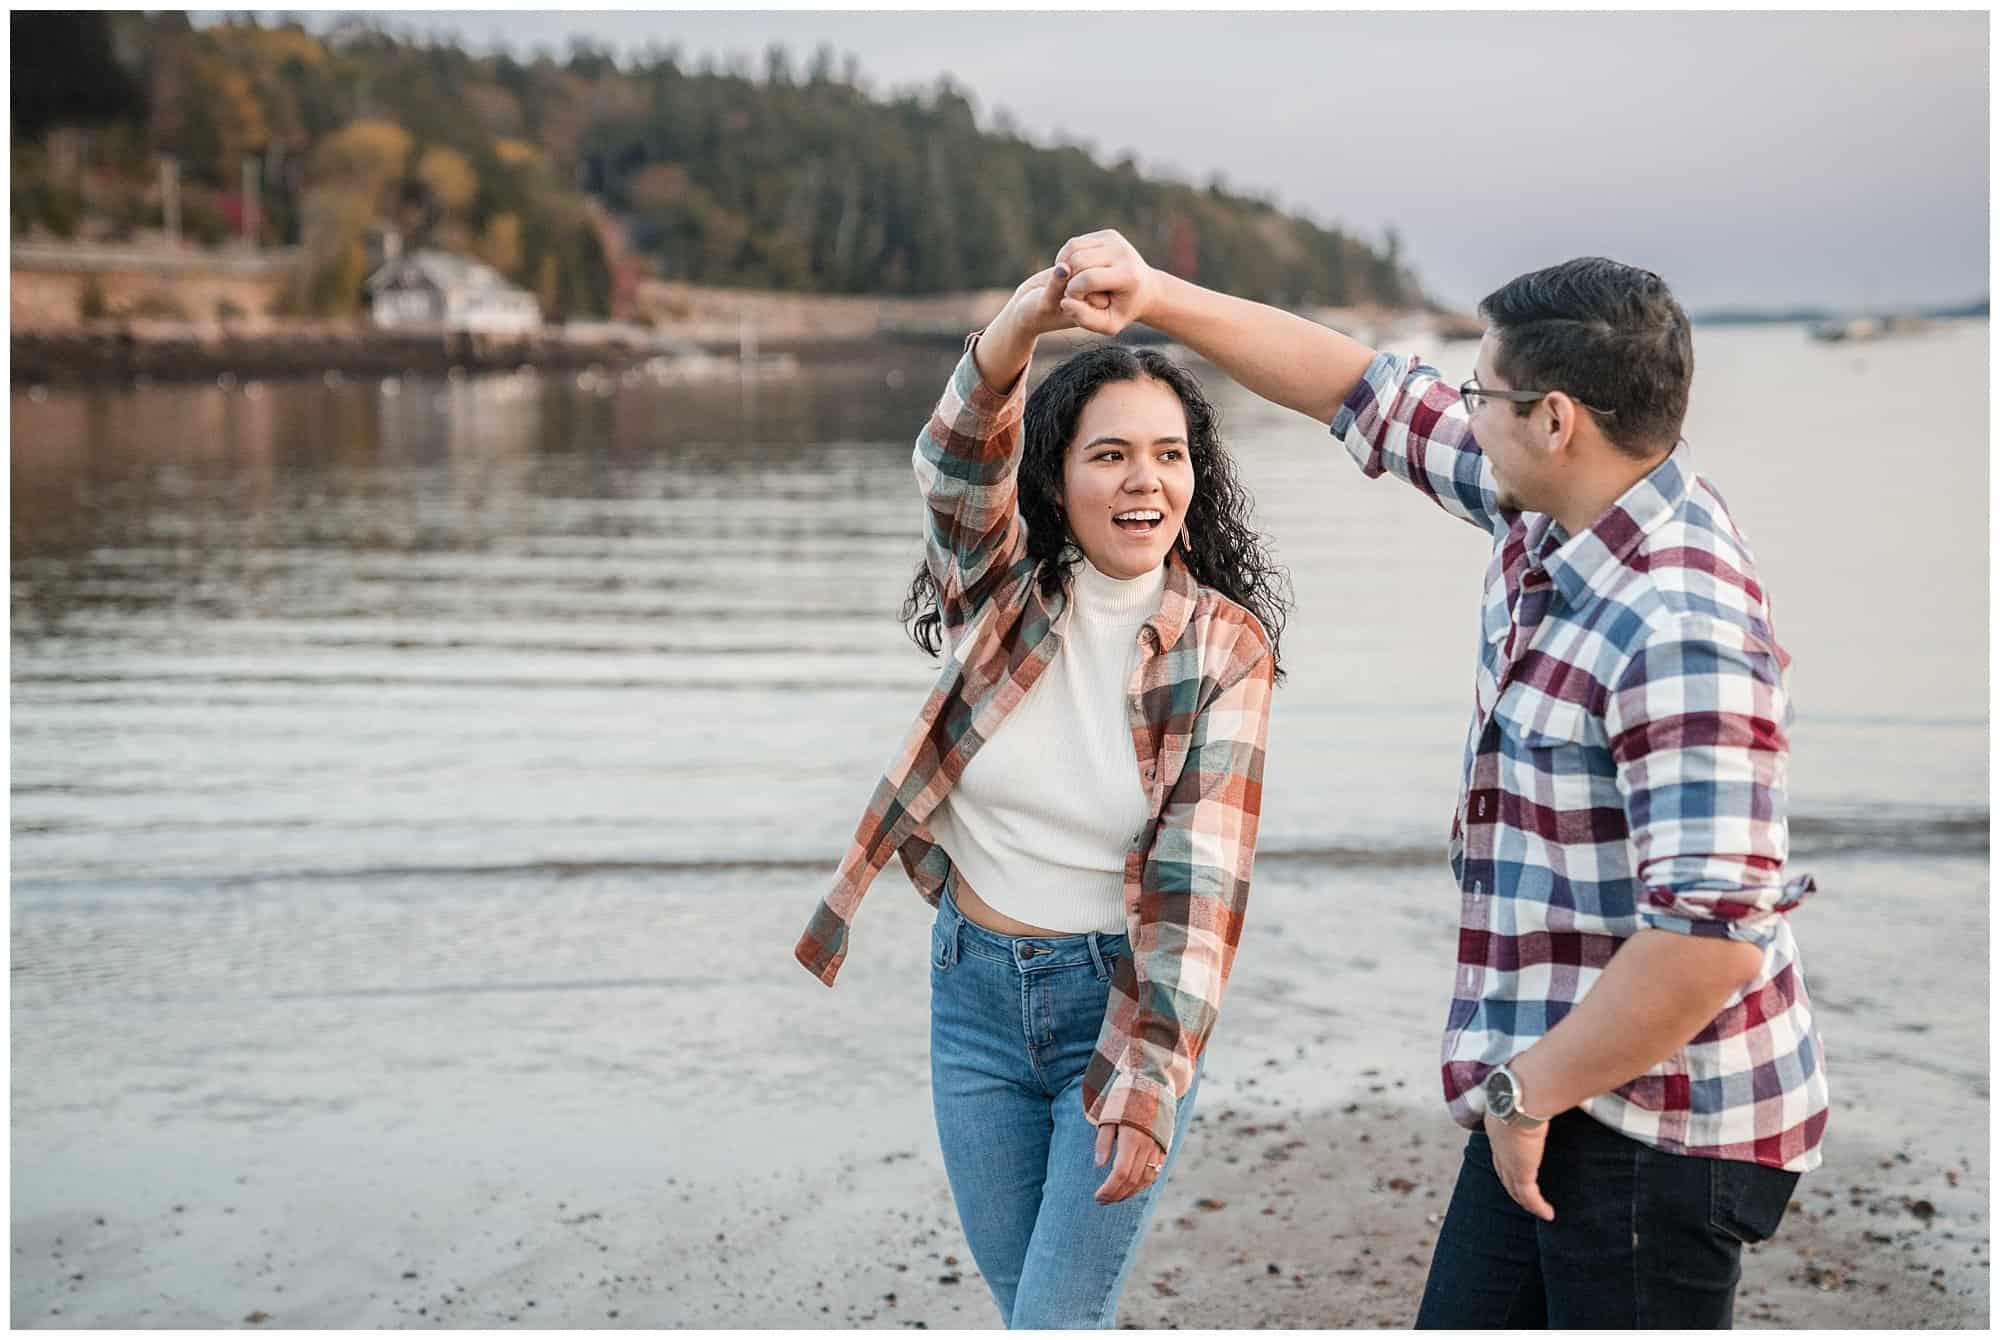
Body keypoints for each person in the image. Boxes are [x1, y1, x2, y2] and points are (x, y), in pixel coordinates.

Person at [1049, 232, 1827, 1329]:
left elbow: (1708, 940)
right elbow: (1354, 386)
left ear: (1553, 418)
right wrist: (1157, 295)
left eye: (1483, 390)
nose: (1464, 407)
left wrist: (1525, 1091)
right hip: (1554, 1087)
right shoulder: (1553, 507)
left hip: (1663, 1123)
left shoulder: (1679, 625)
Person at [794, 265, 1289, 1328]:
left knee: (1051, 1321)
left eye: (1168, 454)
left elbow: (1199, 887)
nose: (1142, 480)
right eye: (1107, 454)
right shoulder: (1003, 592)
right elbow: (956, 453)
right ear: (1055, 476)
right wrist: (1028, 313)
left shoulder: (1221, 649)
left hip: (1116, 1009)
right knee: (1035, 1308)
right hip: (969, 999)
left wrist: (1152, 1080)